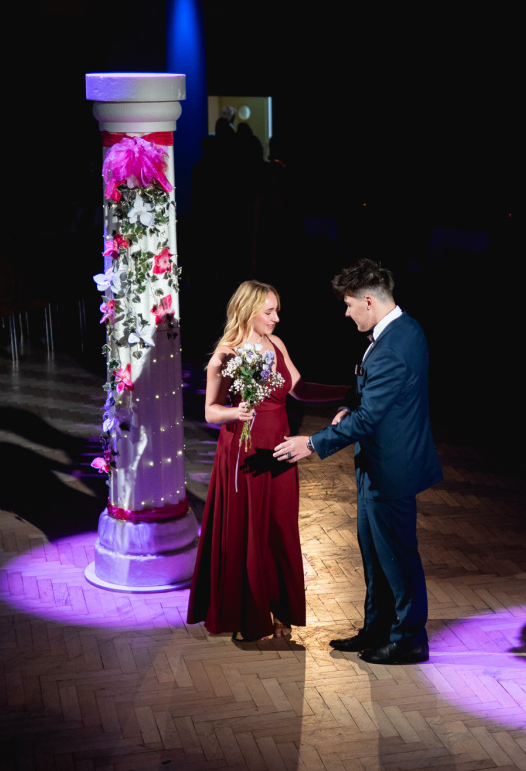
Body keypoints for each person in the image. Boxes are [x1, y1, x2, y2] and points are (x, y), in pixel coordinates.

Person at [274, 259, 442, 665]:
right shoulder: (404, 329)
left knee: (397, 558)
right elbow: (371, 392)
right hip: (378, 465)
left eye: (349, 305)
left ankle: (409, 639)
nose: (347, 313)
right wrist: (348, 404)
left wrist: (311, 443)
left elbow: (371, 418)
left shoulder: (393, 347)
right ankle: (377, 629)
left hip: (392, 469)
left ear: (369, 300)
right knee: (375, 554)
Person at [186, 280, 306, 640]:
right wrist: (235, 412)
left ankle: (282, 610)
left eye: (276, 311)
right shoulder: (226, 353)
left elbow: (298, 387)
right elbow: (210, 411)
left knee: (280, 528)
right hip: (244, 450)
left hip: (280, 449)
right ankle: (248, 614)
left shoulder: (276, 344)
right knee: (248, 530)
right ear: (248, 311)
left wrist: (349, 395)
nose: (276, 318)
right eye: (269, 312)